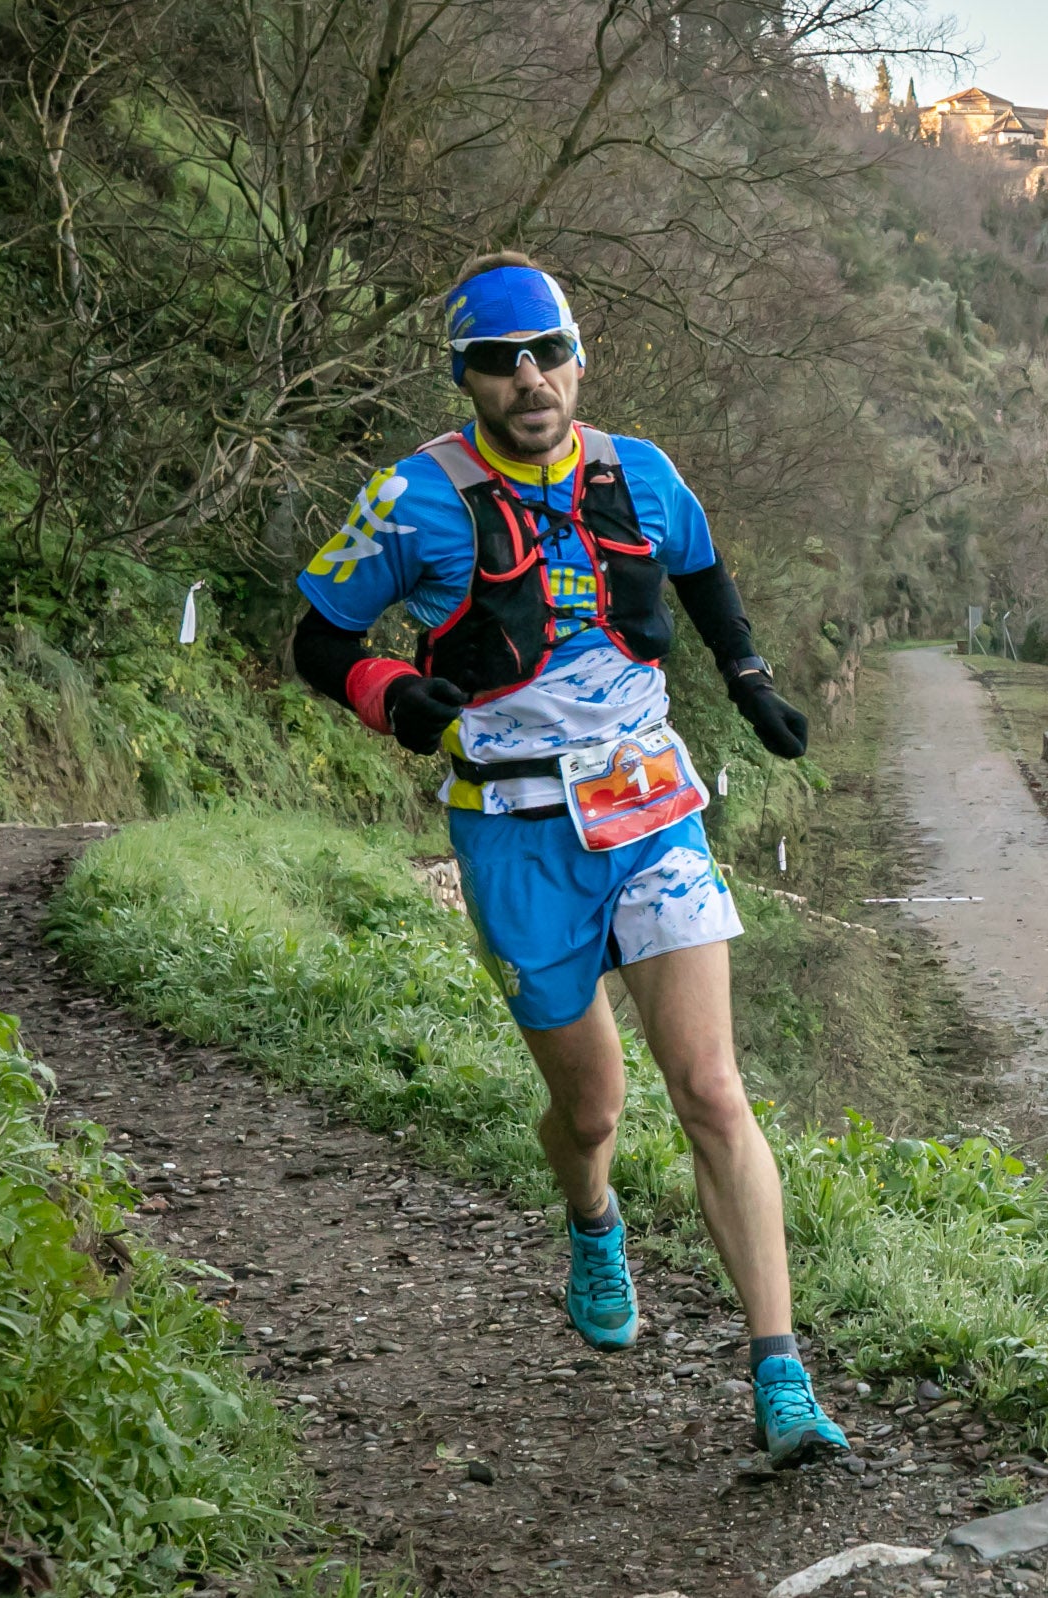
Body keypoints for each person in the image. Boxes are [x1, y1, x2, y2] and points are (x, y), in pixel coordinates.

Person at [290, 252, 847, 1466]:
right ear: (466, 378)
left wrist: (747, 679)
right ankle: (591, 1218)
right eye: (496, 361)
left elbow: (699, 570)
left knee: (709, 1086)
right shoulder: (411, 499)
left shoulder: (639, 471)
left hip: (652, 810)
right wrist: (395, 694)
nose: (526, 378)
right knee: (590, 1107)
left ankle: (780, 1372)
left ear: (578, 355)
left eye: (543, 351)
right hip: (514, 828)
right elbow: (317, 636)